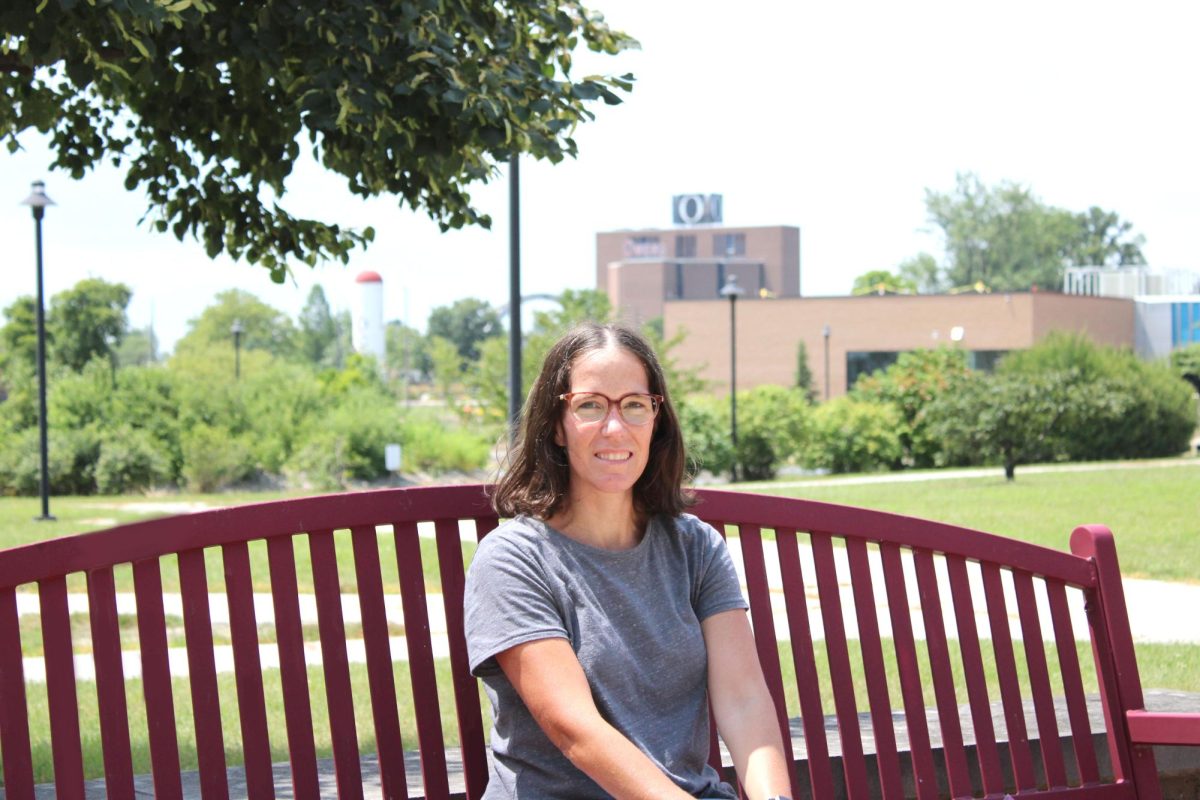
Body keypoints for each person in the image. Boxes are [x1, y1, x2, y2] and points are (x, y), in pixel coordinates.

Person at [464, 322, 793, 800]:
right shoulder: (515, 560)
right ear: (556, 424)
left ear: (656, 418)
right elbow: (576, 730)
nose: (615, 427)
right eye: (591, 406)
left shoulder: (695, 547)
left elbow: (743, 700)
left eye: (635, 405)